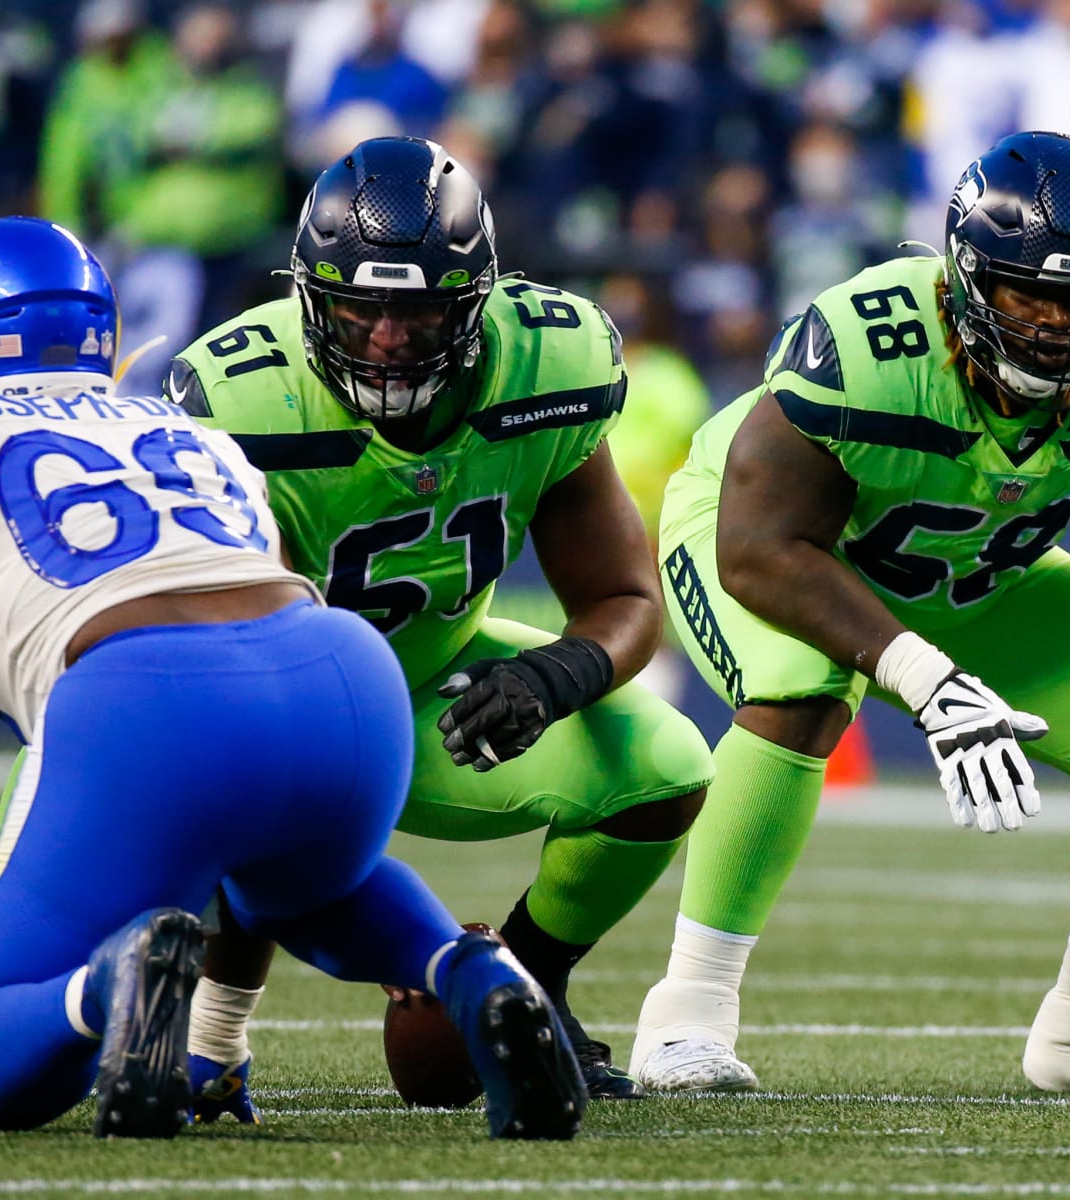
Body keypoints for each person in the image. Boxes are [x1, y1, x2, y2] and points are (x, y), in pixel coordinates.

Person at [0, 215, 587, 1140]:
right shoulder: (178, 427)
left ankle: (111, 985)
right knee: (302, 885)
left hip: (146, 704)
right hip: (339, 674)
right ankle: (465, 969)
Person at [162, 134, 714, 1115]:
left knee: (669, 768)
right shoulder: (242, 399)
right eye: (358, 308)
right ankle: (211, 1029)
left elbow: (628, 600)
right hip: (278, 703)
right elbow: (238, 661)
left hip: (435, 683)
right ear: (307, 295)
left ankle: (532, 986)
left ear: (478, 298)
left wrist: (555, 679)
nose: (384, 336)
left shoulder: (546, 367)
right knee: (231, 770)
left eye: (416, 310)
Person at [628, 129, 1070, 1097]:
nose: (1057, 326)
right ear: (964, 278)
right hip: (768, 545)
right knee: (800, 686)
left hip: (976, 580)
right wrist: (921, 677)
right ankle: (686, 1016)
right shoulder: (872, 344)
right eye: (1028, 293)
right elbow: (761, 547)